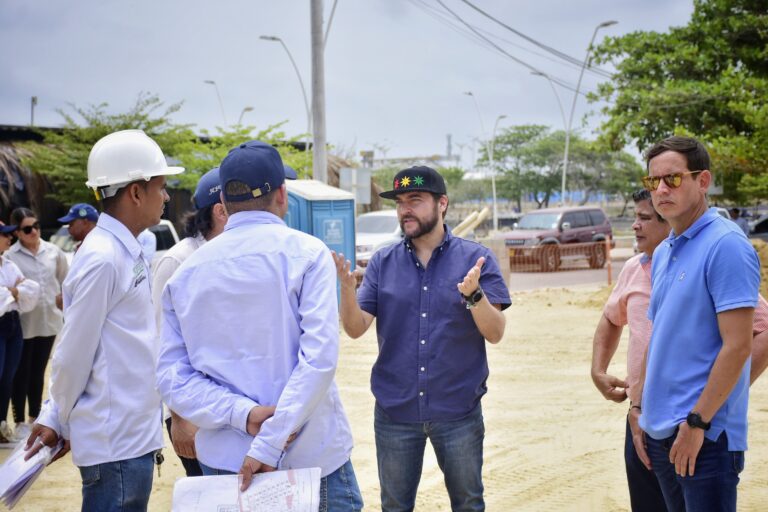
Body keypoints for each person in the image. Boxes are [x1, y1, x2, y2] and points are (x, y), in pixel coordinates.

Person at [156, 141, 363, 510]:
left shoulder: (186, 275)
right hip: (313, 459)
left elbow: (173, 378)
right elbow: (318, 360)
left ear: (226, 203)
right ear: (282, 194)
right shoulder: (307, 254)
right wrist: (271, 439)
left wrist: (243, 415)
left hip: (227, 465)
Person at [332, 165, 511, 512]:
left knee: (469, 504)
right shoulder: (383, 262)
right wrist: (346, 291)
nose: (405, 210)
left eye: (415, 199)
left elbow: (495, 332)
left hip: (458, 410)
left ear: (442, 203)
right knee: (395, 506)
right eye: (400, 202)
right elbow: (355, 329)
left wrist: (474, 295)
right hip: (395, 412)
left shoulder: (476, 259)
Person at [25, 129, 184, 512]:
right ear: (134, 192)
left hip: (129, 441)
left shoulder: (123, 249)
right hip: (117, 448)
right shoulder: (103, 258)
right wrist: (57, 418)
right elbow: (73, 354)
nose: (165, 196)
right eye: (160, 186)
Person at [590, 189, 768, 512]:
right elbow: (611, 320)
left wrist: (720, 396)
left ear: (667, 222)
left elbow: (758, 333)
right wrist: (602, 373)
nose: (635, 226)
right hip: (644, 419)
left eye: (644, 218)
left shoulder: (711, 258)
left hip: (693, 424)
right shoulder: (639, 267)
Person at [637, 136, 759, 512]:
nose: (660, 189)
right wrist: (639, 411)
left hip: (704, 437)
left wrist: (697, 423)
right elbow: (661, 338)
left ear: (702, 181)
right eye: (652, 181)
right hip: (661, 432)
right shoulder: (665, 251)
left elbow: (738, 345)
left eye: (672, 179)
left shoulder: (727, 246)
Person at [151, 167, 227, 478]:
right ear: (221, 211)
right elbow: (161, 344)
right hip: (191, 410)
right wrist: (179, 418)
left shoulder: (230, 254)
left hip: (226, 406)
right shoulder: (178, 262)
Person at [6, 208, 68, 444]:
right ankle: (19, 420)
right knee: (20, 373)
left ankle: (35, 417)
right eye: (28, 229)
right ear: (18, 232)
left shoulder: (53, 251)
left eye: (37, 226)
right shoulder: (11, 256)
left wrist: (62, 297)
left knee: (39, 371)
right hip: (23, 323)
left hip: (49, 321)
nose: (34, 232)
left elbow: (65, 279)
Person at [0, 221, 40, 445]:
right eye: (5, 235)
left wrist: (10, 292)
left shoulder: (7, 265)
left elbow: (31, 290)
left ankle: (1, 426)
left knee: (8, 377)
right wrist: (14, 291)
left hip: (13, 324)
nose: (10, 238)